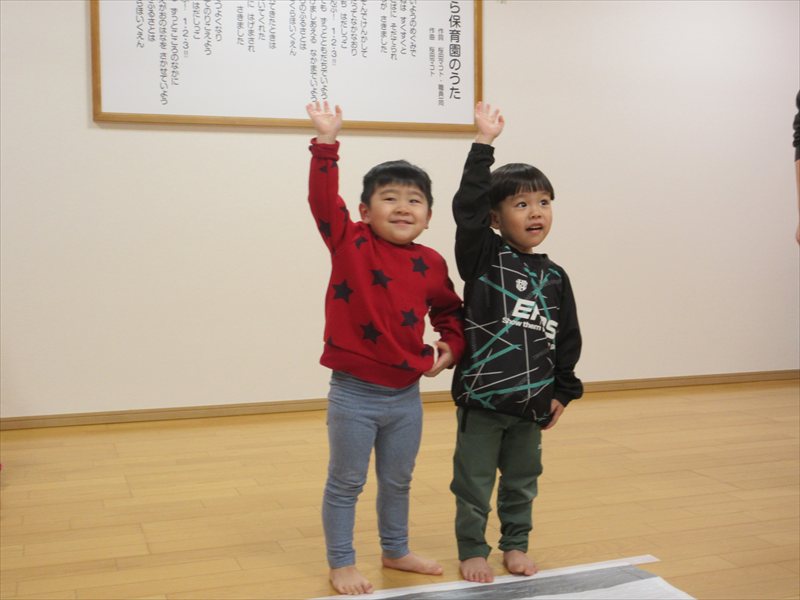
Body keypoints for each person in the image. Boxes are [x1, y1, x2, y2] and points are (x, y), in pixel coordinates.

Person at [305, 100, 466, 595]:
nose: (402, 207)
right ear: (364, 211)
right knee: (346, 482)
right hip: (353, 395)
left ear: (428, 216)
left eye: (414, 200)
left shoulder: (431, 262)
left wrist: (449, 348)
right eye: (389, 198)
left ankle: (395, 550)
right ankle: (341, 562)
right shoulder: (350, 242)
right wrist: (326, 144)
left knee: (398, 480)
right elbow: (322, 201)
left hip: (405, 397)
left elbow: (450, 312)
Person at [449, 102, 583, 583]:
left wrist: (563, 390)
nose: (536, 212)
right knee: (473, 482)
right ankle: (472, 549)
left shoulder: (555, 276)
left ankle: (516, 544)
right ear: (494, 217)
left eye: (544, 202)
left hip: (531, 403)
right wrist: (483, 144)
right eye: (521, 204)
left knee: (523, 481)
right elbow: (466, 209)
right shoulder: (484, 258)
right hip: (483, 401)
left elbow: (566, 338)